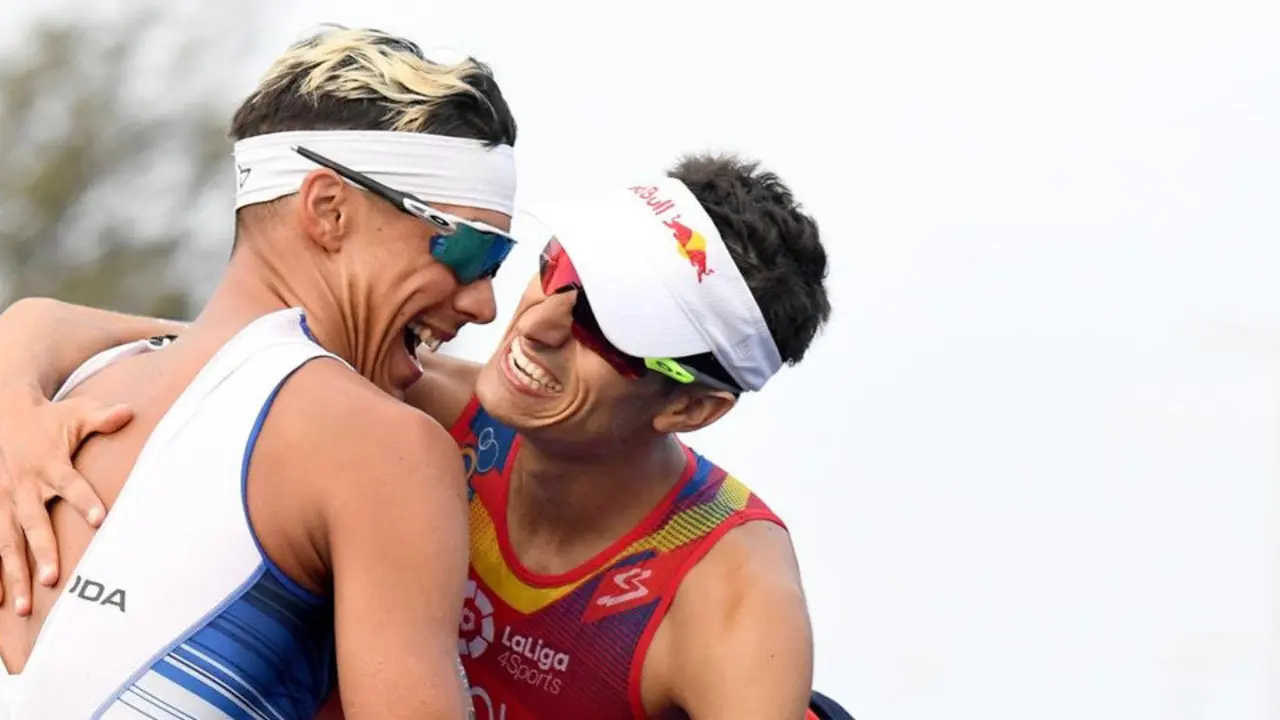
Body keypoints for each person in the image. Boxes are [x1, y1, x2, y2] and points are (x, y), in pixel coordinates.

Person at [0, 113, 845, 720]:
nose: (537, 322)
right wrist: (9, 400)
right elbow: (66, 326)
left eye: (606, 328)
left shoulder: (732, 599)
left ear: (693, 406)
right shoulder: (414, 403)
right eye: (560, 269)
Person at [0, 25, 521, 719]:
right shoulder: (380, 450)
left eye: (497, 264)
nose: (484, 302)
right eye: (465, 251)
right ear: (328, 210)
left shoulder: (74, 385)